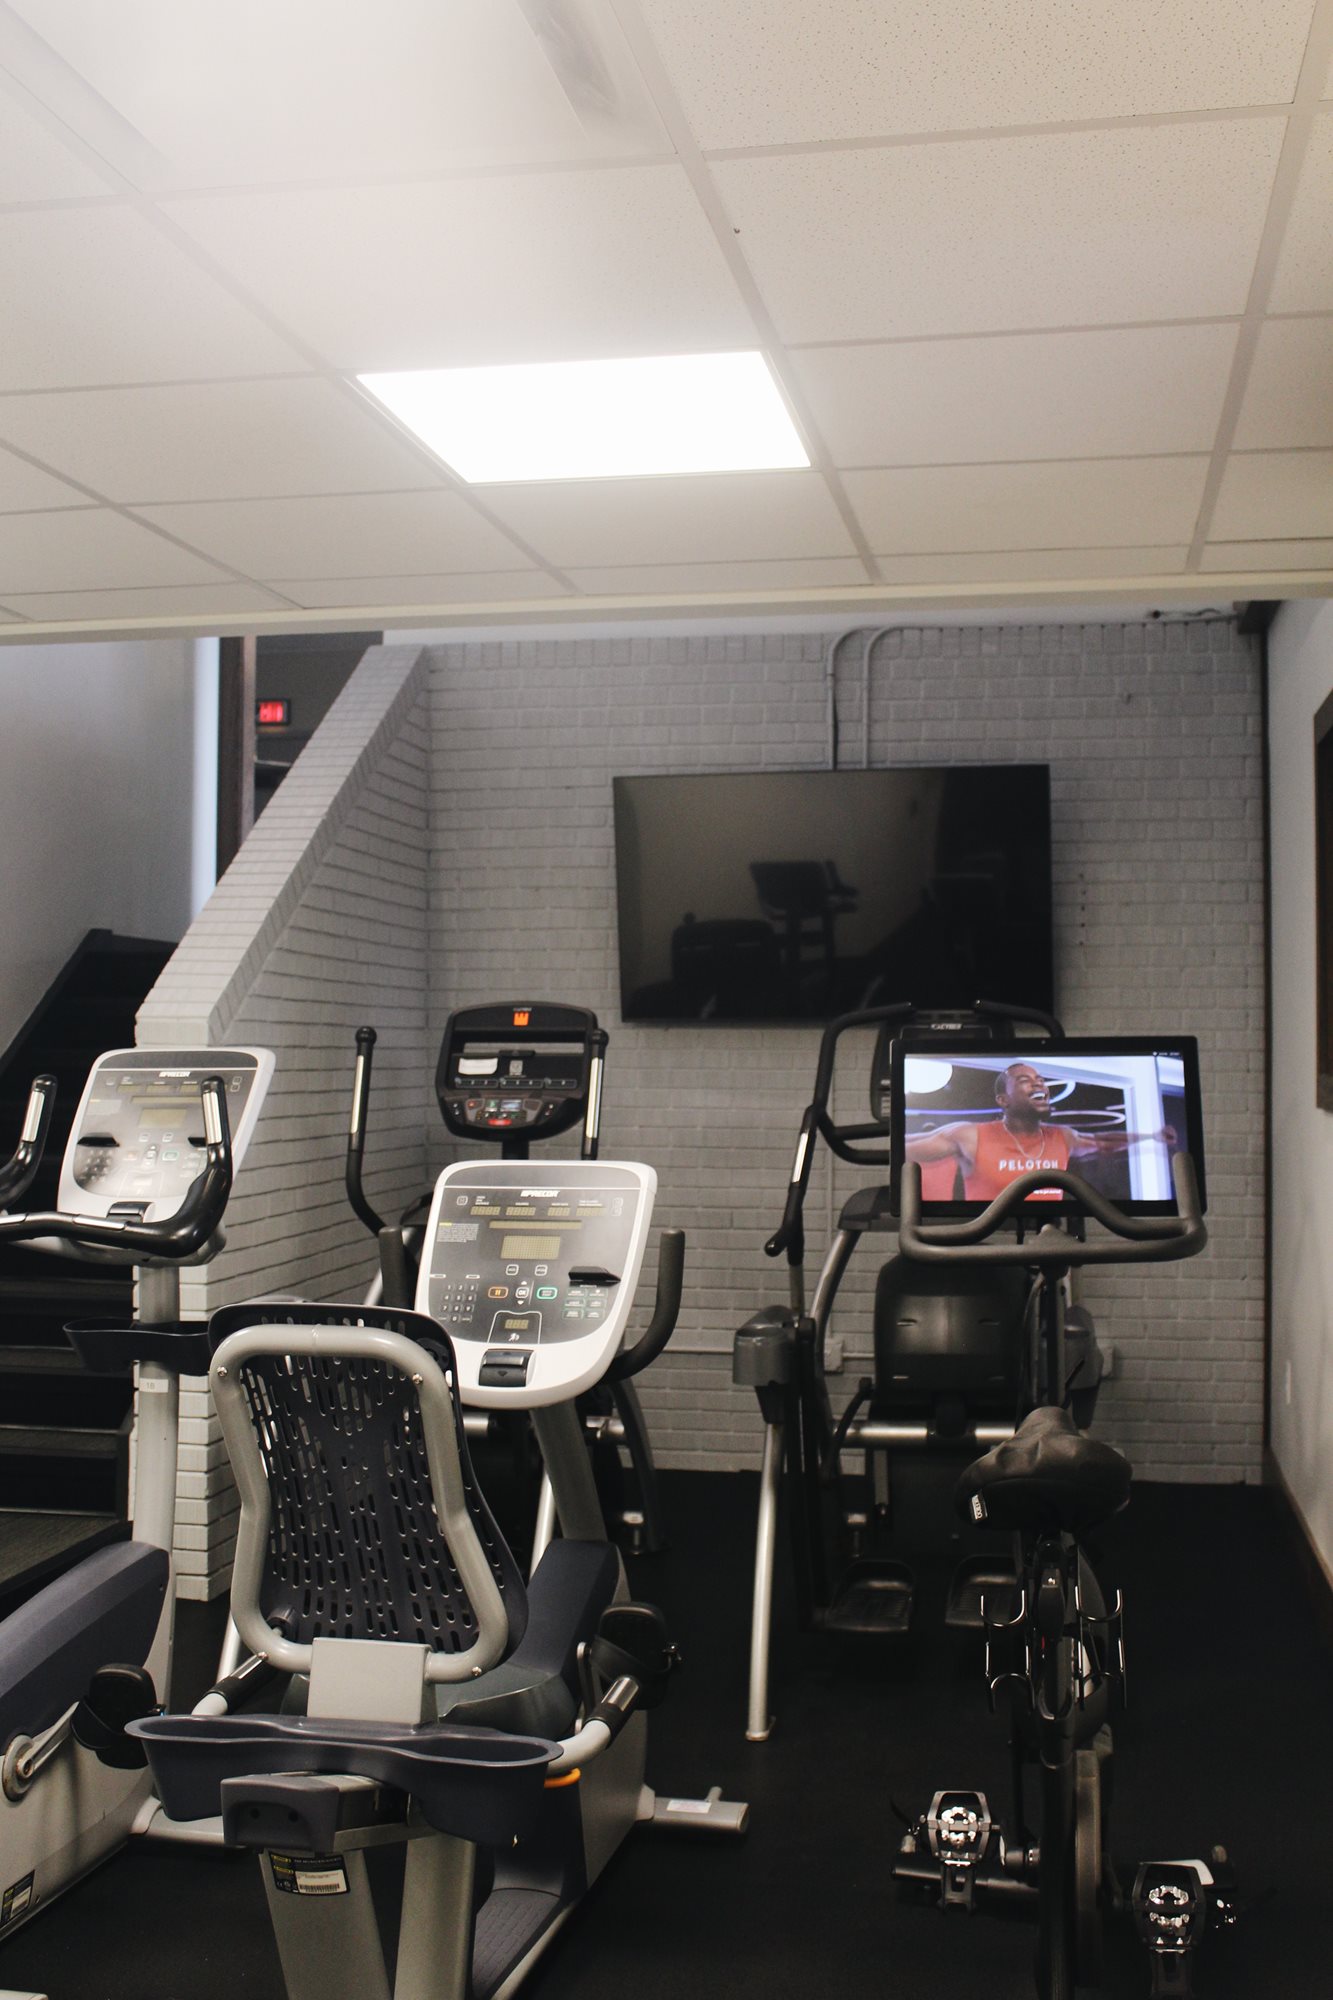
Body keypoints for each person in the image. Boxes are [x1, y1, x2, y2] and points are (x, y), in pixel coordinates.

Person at [905, 1061, 1175, 1202]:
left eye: (1040, 1080)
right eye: (1025, 1080)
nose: (1038, 1085)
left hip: (1048, 1235)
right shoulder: (970, 1135)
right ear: (1003, 1100)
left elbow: (1102, 1142)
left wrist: (1152, 1136)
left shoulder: (1063, 1137)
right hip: (989, 1237)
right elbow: (906, 1148)